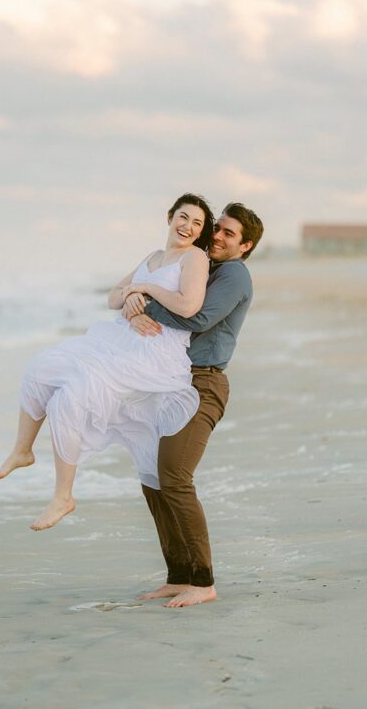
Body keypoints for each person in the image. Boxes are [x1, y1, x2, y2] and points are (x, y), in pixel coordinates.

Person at [0, 194, 216, 531]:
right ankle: (23, 450)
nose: (188, 227)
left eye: (197, 224)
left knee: (72, 396)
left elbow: (188, 306)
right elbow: (112, 296)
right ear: (170, 217)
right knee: (40, 367)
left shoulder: (194, 258)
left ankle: (62, 496)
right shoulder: (153, 256)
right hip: (118, 341)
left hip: (152, 352)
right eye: (184, 217)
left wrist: (144, 289)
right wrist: (129, 295)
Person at [124, 203, 264, 608]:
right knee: (152, 476)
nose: (217, 236)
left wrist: (143, 303)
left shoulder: (234, 274)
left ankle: (203, 580)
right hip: (169, 383)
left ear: (246, 245)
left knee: (174, 473)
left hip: (203, 383)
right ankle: (178, 575)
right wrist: (132, 303)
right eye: (217, 228)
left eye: (229, 233)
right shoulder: (200, 263)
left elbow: (198, 318)